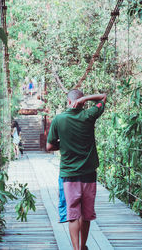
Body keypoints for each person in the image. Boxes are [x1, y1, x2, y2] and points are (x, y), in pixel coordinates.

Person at [47, 89, 107, 250]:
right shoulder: (88, 116)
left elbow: (49, 146)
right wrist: (85, 98)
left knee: (73, 215)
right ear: (83, 103)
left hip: (69, 175)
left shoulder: (58, 119)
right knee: (86, 215)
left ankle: (75, 249)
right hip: (88, 174)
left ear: (68, 102)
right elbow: (103, 97)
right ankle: (82, 246)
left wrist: (64, 144)